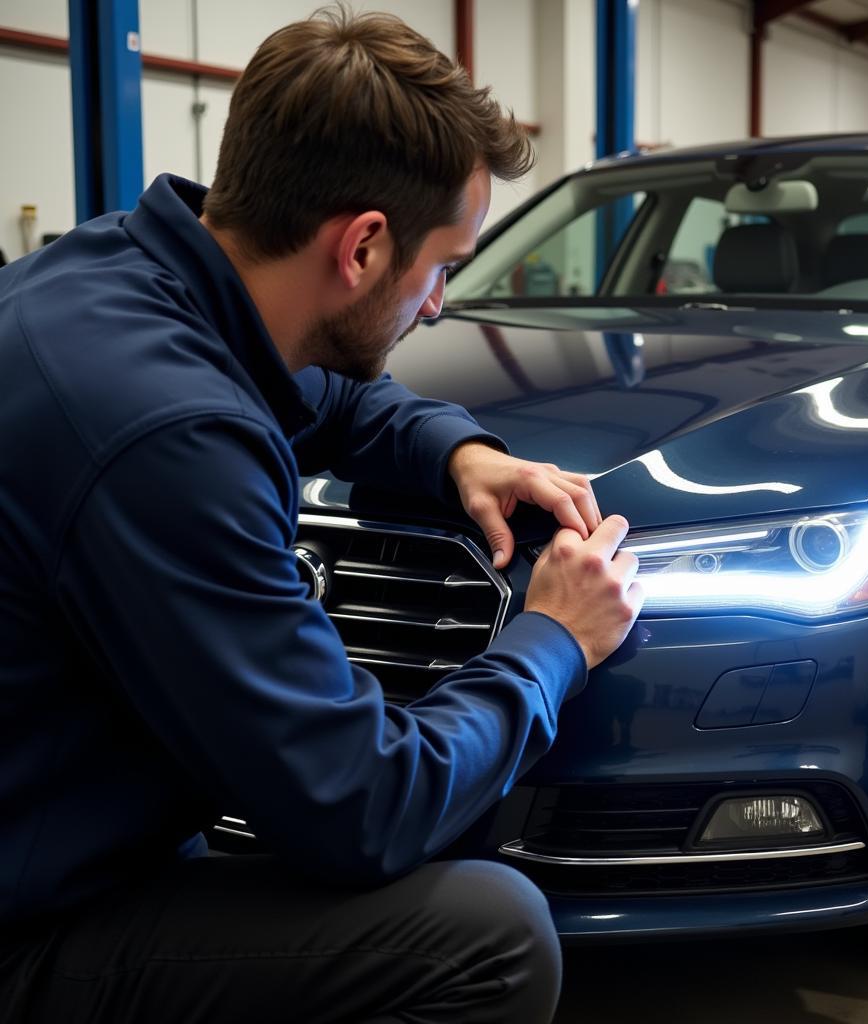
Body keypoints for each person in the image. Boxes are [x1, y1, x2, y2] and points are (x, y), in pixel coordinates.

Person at [0, 7, 643, 1024]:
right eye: (440, 267)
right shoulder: (170, 440)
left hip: (44, 820)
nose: (436, 304)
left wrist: (460, 452)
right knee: (490, 937)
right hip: (29, 925)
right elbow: (362, 808)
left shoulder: (118, 275)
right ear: (362, 246)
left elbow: (322, 388)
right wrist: (553, 643)